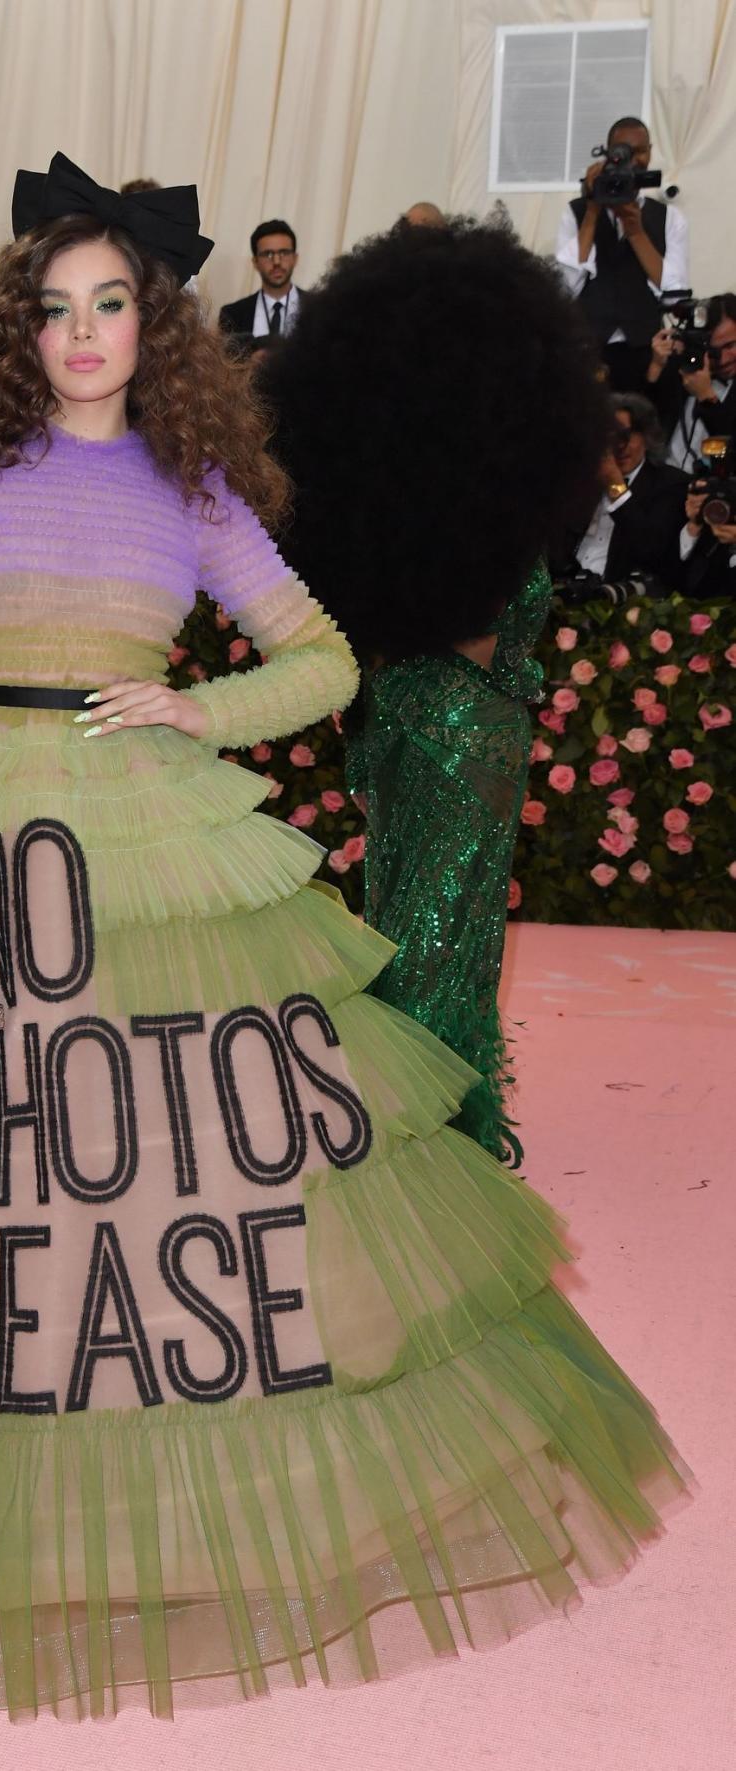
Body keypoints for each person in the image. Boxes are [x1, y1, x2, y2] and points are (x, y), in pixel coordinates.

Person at [0, 156, 688, 1720]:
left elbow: (322, 662)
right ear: (16, 325)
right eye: (53, 308)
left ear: (154, 322)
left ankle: (191, 1472)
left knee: (185, 1174)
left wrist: (199, 702)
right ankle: (21, 1474)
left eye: (111, 304)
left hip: (154, 837)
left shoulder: (190, 487)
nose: (82, 335)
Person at [265, 217, 613, 1164]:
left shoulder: (410, 517)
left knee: (412, 915)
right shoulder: (480, 525)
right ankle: (430, 1126)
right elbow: (483, 630)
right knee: (442, 929)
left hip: (405, 722)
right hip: (461, 738)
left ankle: (405, 1104)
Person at [554, 116, 687, 389]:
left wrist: (636, 232)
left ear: (649, 152)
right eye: (622, 152)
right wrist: (592, 210)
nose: (632, 160)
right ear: (607, 153)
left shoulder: (668, 217)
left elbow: (675, 290)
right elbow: (565, 288)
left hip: (645, 351)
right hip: (589, 349)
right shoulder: (576, 212)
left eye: (639, 151)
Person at [558, 393, 688, 590]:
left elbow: (651, 550)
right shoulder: (583, 480)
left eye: (626, 436)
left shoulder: (671, 483)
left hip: (620, 594)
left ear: (646, 436)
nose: (619, 447)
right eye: (608, 437)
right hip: (566, 586)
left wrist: (615, 485)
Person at [647, 291, 736, 473]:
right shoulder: (685, 369)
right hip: (665, 484)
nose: (723, 359)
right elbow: (645, 423)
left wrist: (707, 398)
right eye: (712, 351)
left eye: (730, 346)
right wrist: (655, 368)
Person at [218, 219, 301, 353]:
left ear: (295, 258)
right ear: (255, 262)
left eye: (284, 253)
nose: (276, 262)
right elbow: (225, 365)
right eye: (268, 254)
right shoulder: (232, 314)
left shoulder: (319, 309)